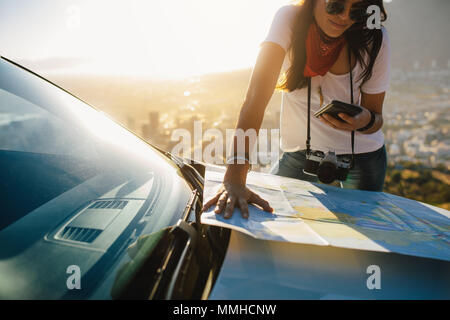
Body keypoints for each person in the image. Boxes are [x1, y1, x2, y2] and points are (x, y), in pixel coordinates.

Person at [203, 0, 391, 219]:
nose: (345, 17)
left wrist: (364, 120)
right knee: (265, 217)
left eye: (357, 11)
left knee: (362, 231)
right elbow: (256, 98)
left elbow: (376, 118)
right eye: (336, 6)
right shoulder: (289, 19)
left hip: (362, 158)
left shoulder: (374, 36)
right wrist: (234, 178)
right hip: (301, 152)